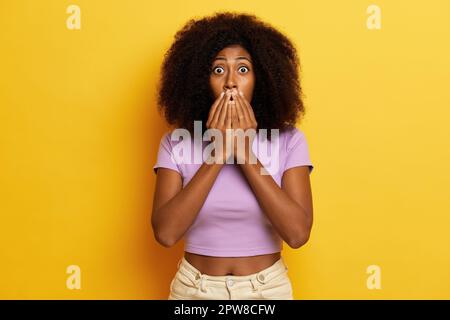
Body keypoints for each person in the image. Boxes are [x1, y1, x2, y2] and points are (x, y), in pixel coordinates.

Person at [152, 11, 314, 300]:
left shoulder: (289, 141)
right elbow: (165, 234)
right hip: (194, 290)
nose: (230, 82)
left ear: (261, 78)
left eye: (242, 69)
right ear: (201, 82)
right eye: (218, 70)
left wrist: (243, 151)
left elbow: (297, 234)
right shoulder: (176, 143)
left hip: (267, 292)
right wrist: (218, 152)